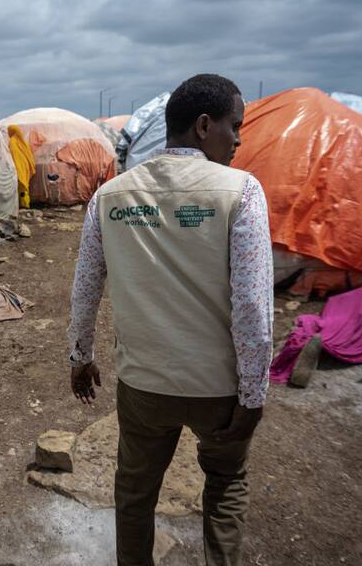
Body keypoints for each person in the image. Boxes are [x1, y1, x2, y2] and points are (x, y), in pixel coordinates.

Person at [67, 74, 273, 566]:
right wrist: (253, 395)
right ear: (205, 126)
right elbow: (252, 308)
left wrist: (81, 357)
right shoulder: (240, 192)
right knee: (224, 486)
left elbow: (86, 286)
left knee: (135, 494)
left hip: (143, 385)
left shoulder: (111, 196)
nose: (239, 139)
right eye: (234, 126)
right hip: (218, 390)